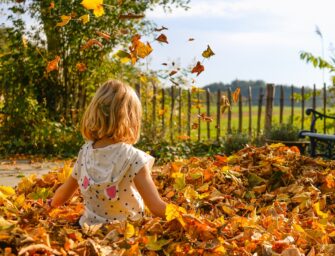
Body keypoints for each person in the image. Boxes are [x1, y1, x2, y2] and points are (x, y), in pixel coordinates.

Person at [50, 80, 167, 226]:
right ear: (131, 120)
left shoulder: (85, 152)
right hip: (126, 231)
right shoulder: (133, 157)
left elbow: (63, 194)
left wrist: (51, 205)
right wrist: (184, 216)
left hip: (89, 227)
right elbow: (156, 206)